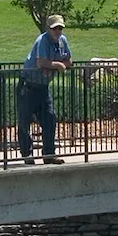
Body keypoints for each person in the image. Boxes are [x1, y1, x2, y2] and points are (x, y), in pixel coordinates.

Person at [17, 14, 71, 164]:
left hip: (43, 87)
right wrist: (56, 65)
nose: (58, 31)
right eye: (55, 28)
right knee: (24, 122)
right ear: (48, 28)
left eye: (60, 28)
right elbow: (41, 62)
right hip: (28, 86)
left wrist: (54, 66)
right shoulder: (42, 40)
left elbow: (69, 61)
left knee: (50, 119)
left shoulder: (63, 41)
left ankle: (49, 155)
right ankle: (27, 155)